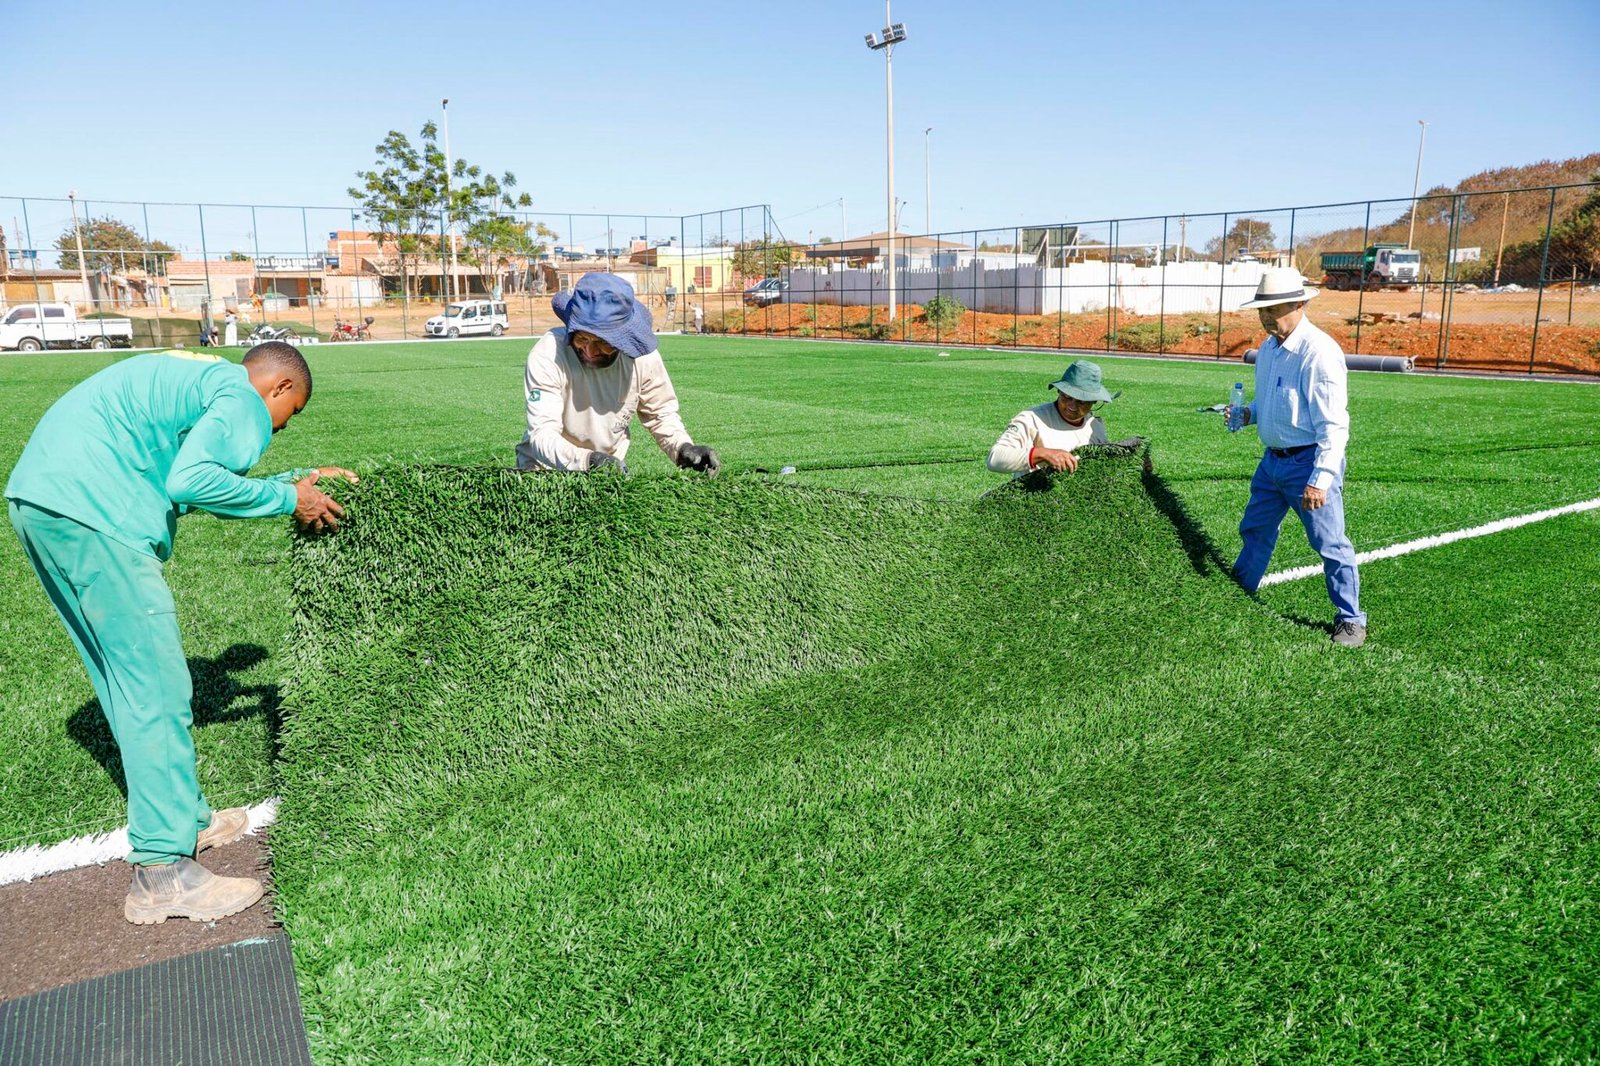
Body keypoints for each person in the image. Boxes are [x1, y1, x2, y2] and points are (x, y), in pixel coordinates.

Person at [5, 343, 355, 924]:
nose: (281, 426)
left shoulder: (206, 380)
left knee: (125, 682)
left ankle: (186, 819)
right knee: (157, 689)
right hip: (95, 512)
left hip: (46, 501)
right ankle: (163, 873)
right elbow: (192, 482)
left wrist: (291, 484)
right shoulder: (243, 399)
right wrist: (287, 497)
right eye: (290, 415)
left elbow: (184, 477)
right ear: (279, 390)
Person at [1226, 267, 1366, 648]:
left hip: (1307, 464)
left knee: (1330, 544)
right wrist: (1248, 413)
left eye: (1275, 308)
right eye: (1262, 309)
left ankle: (1351, 620)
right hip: (1271, 462)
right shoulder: (1269, 349)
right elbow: (1273, 401)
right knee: (1254, 532)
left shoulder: (1318, 353)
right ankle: (1236, 598)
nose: (1267, 316)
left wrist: (1320, 479)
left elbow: (1334, 426)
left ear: (1300, 304)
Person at [515, 273, 720, 477]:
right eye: (582, 338)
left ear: (624, 340)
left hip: (606, 468)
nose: (590, 351)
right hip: (545, 470)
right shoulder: (548, 354)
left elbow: (660, 414)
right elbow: (543, 434)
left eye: (603, 342)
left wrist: (683, 448)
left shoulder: (642, 358)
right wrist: (588, 460)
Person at [987, 359, 1116, 475]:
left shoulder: (1095, 426)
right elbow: (995, 459)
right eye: (1067, 396)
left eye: (1081, 401)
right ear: (1059, 391)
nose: (1072, 406)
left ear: (1094, 401)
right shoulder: (1031, 419)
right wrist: (1043, 454)